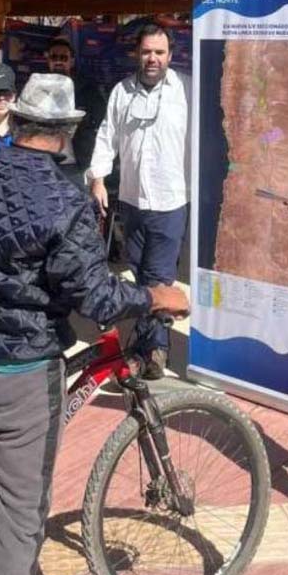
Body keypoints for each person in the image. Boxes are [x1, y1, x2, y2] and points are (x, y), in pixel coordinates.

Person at [0, 73, 190, 575]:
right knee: (18, 514)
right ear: (65, 130)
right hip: (21, 371)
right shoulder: (62, 198)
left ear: (23, 120)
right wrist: (154, 296)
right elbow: (95, 298)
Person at [87, 23, 191, 379]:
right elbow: (107, 135)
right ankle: (150, 344)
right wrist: (98, 178)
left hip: (170, 201)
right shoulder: (122, 91)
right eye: (147, 51)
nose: (152, 59)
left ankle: (151, 351)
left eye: (159, 53)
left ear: (170, 56)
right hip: (132, 200)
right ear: (138, 53)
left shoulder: (186, 90)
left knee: (159, 277)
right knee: (140, 273)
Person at [44, 36, 107, 189]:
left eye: (63, 57)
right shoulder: (38, 88)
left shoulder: (88, 90)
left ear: (71, 60)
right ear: (48, 60)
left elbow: (102, 125)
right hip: (46, 164)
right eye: (54, 57)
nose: (58, 61)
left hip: (78, 164)